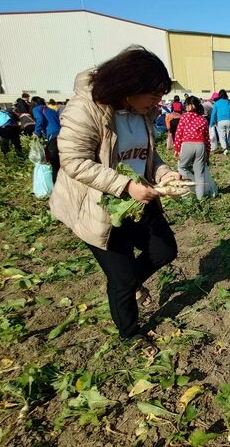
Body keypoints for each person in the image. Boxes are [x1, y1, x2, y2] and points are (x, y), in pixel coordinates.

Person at [49, 46, 180, 353]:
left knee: (164, 250)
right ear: (130, 87)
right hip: (97, 205)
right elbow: (74, 161)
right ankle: (130, 333)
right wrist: (126, 185)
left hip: (136, 200)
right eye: (153, 94)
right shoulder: (86, 108)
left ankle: (131, 284)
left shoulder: (143, 113)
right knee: (120, 278)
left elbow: (147, 154)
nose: (158, 102)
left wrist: (163, 173)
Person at [173, 96, 211, 200]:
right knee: (200, 174)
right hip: (201, 146)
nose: (185, 107)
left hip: (187, 145)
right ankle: (201, 198)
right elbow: (207, 139)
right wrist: (207, 154)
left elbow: (179, 133)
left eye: (186, 105)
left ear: (190, 105)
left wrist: (177, 149)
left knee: (182, 167)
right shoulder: (203, 119)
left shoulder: (184, 116)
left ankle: (193, 181)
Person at [32, 96, 62, 181]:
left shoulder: (36, 109)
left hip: (53, 136)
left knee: (54, 162)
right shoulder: (51, 110)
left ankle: (56, 183)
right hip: (62, 134)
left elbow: (40, 119)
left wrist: (36, 132)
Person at [209, 89, 230, 154]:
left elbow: (213, 114)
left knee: (222, 136)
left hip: (220, 121)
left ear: (219, 95)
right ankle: (228, 145)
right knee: (228, 134)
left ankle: (225, 148)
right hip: (228, 121)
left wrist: (211, 123)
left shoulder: (216, 103)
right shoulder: (228, 102)